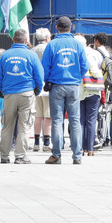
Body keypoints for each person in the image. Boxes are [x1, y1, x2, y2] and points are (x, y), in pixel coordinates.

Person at [41, 16, 89, 165]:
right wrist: (76, 77)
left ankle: (56, 154)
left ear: (57, 28)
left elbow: (45, 67)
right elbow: (84, 66)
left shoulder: (52, 45)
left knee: (57, 121)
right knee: (75, 121)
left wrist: (48, 80)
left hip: (56, 85)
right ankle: (77, 156)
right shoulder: (78, 44)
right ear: (70, 28)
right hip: (73, 85)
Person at [0, 29, 44, 164]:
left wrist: (3, 90)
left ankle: (4, 156)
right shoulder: (31, 55)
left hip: (9, 93)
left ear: (13, 40)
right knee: (24, 126)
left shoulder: (5, 55)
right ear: (26, 40)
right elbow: (39, 76)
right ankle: (20, 155)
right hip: (26, 93)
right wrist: (37, 89)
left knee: (7, 125)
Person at [76, 35, 103, 157]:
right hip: (92, 90)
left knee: (80, 121)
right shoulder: (89, 55)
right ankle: (90, 149)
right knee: (91, 120)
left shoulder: (73, 55)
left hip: (78, 92)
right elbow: (96, 73)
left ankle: (80, 148)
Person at [31, 28, 52, 152]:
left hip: (36, 86)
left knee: (38, 115)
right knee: (48, 116)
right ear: (47, 38)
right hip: (47, 85)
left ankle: (36, 142)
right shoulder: (49, 49)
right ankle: (47, 142)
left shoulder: (33, 50)